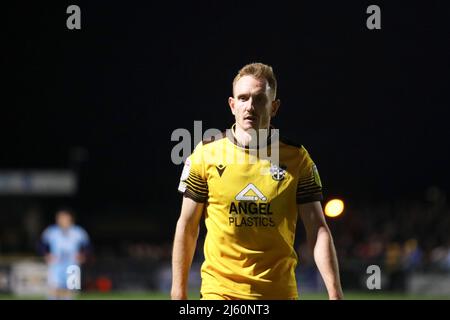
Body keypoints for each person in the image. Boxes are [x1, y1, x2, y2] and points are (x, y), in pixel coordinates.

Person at [171, 62, 343, 300]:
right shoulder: (205, 153)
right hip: (220, 294)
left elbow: (318, 229)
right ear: (232, 105)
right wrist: (178, 292)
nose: (250, 106)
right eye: (242, 98)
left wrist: (335, 293)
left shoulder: (297, 158)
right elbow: (188, 226)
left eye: (259, 99)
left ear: (274, 107)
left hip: (279, 293)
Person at [40, 208, 90, 299]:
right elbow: (42, 245)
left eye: (64, 218)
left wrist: (83, 256)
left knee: (70, 292)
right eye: (60, 218)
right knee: (54, 290)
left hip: (72, 264)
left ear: (70, 218)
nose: (62, 220)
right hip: (56, 265)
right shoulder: (51, 231)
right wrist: (46, 255)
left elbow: (87, 246)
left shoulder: (78, 231)